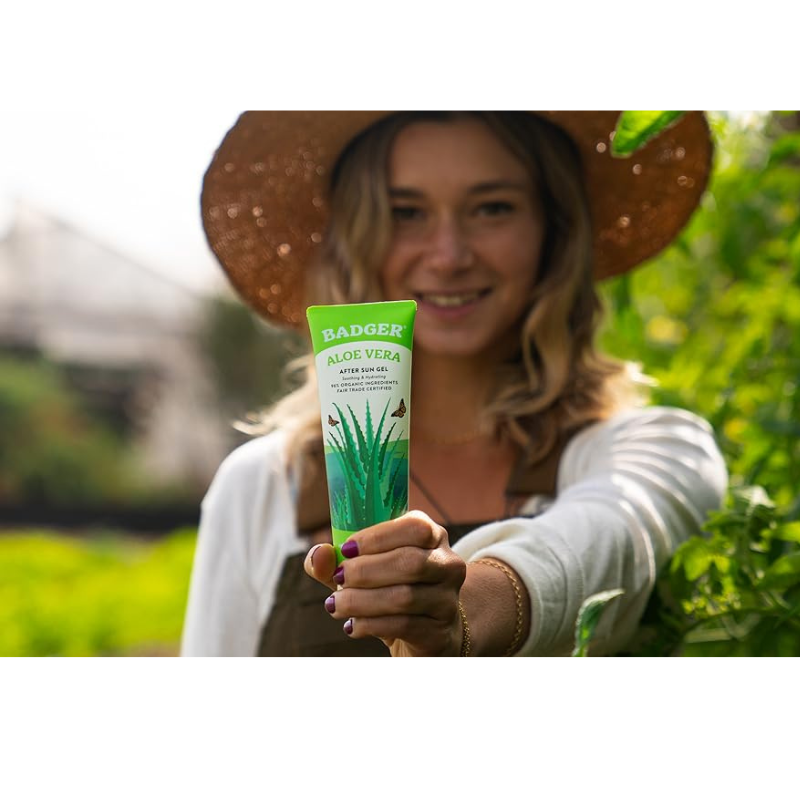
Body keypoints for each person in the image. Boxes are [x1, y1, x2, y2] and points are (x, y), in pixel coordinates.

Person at [181, 111, 728, 657]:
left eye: (493, 208)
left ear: (555, 231)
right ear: (351, 239)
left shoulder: (659, 452)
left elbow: (604, 541)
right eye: (405, 212)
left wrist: (462, 613)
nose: (449, 256)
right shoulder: (262, 487)